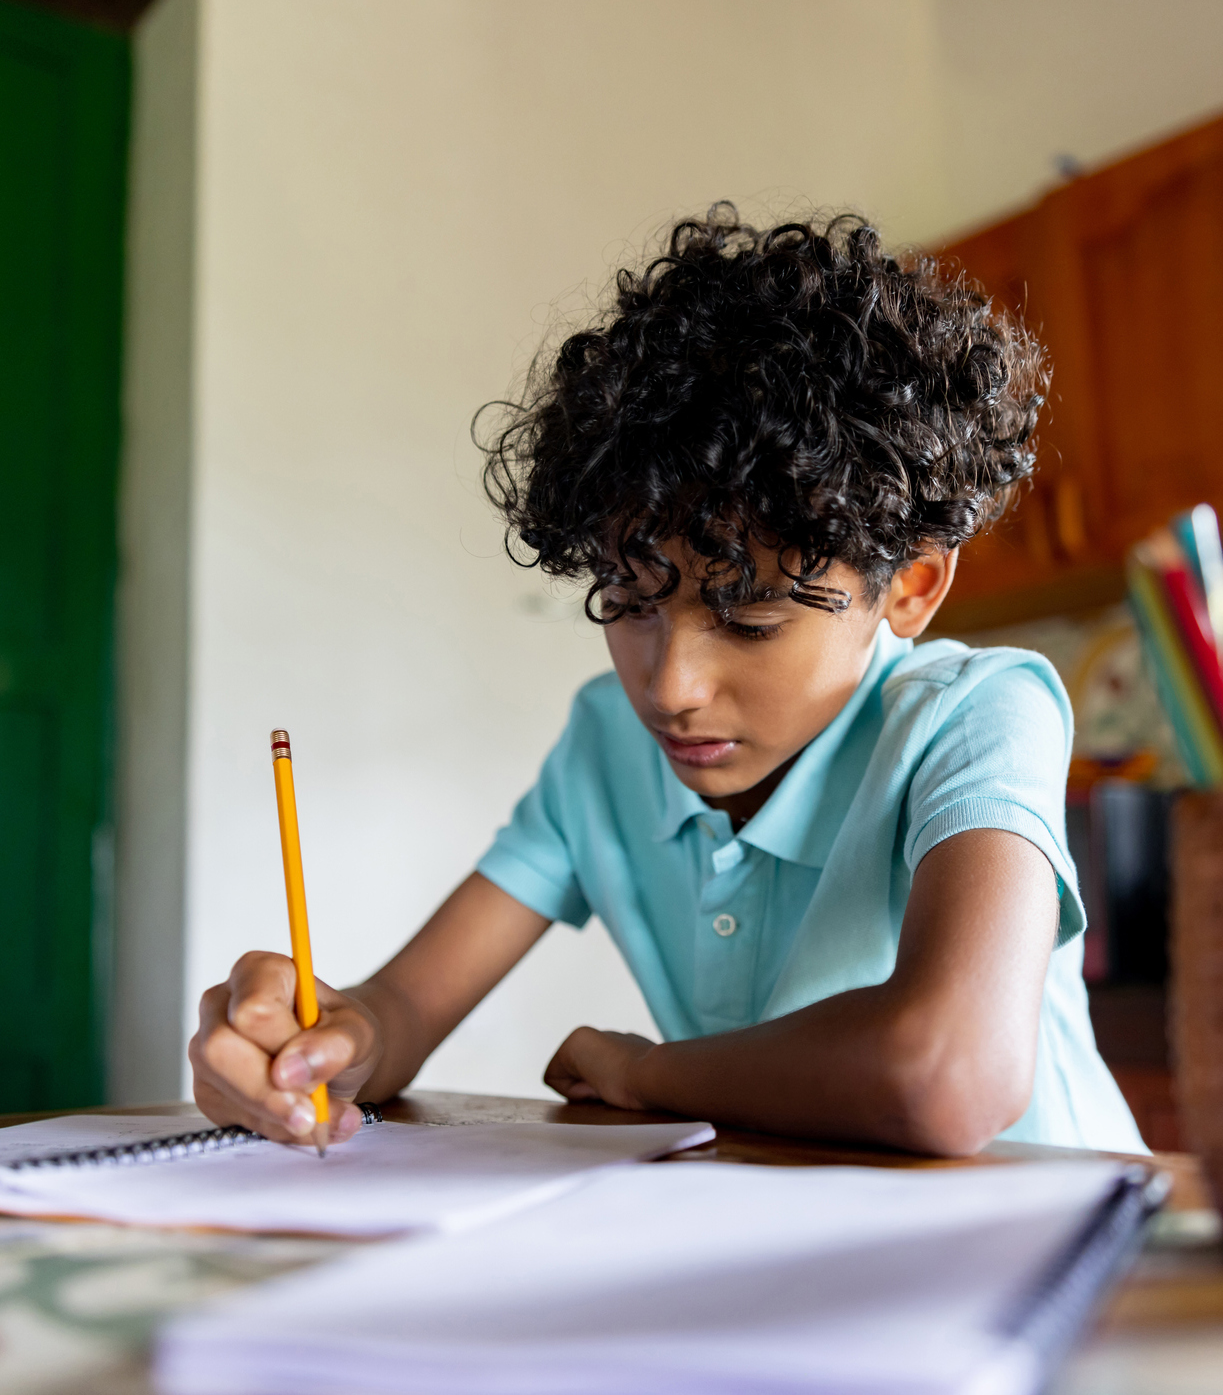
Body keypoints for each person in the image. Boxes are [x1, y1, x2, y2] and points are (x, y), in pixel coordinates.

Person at [189, 206, 1144, 1156]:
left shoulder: (979, 715)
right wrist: (325, 1044)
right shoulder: (608, 739)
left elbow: (946, 1073)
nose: (672, 686)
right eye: (628, 602)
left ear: (910, 587)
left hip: (1070, 1262)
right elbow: (401, 1008)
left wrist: (647, 1074)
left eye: (750, 621)